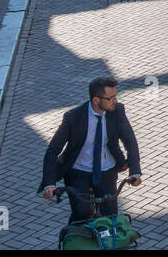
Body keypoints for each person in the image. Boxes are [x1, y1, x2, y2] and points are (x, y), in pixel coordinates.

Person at [39, 77, 143, 223]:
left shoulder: (117, 112)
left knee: (110, 216)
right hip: (78, 172)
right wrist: (49, 184)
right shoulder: (73, 118)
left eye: (115, 96)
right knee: (82, 213)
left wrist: (135, 172)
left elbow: (130, 141)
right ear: (96, 100)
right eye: (110, 98)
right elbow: (53, 150)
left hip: (106, 171)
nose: (115, 101)